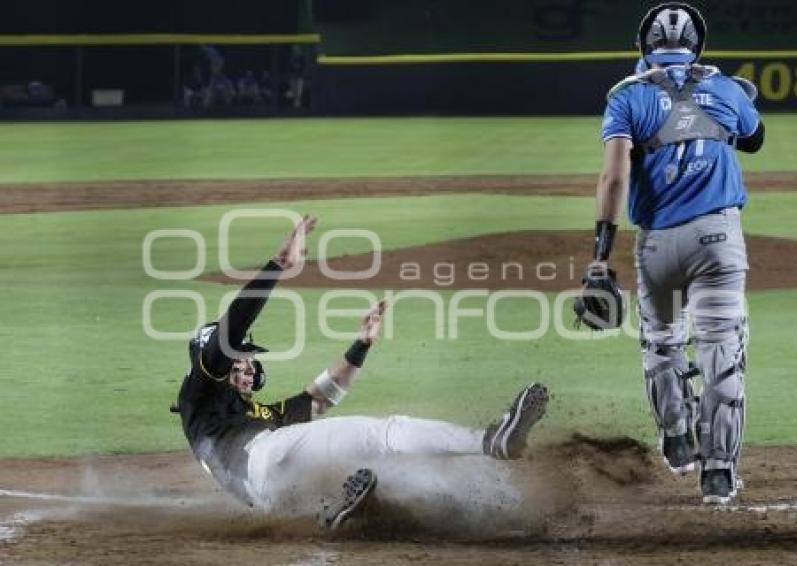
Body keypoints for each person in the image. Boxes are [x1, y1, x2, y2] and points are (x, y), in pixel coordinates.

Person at [175, 215, 549, 529]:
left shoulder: (246, 417)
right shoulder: (200, 391)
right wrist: (276, 264)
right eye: (239, 358)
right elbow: (233, 327)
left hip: (271, 495)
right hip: (263, 462)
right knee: (383, 434)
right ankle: (490, 440)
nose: (247, 364)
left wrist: (361, 346)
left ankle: (340, 514)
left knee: (387, 477)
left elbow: (318, 399)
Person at [573, 3, 764, 504]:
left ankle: (678, 438)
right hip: (719, 242)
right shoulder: (725, 87)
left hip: (656, 244)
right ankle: (719, 473)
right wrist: (733, 103)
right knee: (723, 350)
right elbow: (755, 138)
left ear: (643, 44)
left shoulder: (626, 97)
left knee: (661, 342)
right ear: (697, 43)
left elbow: (614, 178)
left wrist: (599, 259)